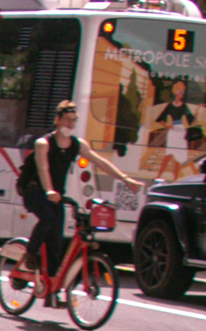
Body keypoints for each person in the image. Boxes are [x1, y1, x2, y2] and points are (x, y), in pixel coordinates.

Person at [27, 100, 140, 302]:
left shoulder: (77, 145)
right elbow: (43, 168)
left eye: (74, 121)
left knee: (56, 242)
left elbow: (100, 162)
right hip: (36, 190)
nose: (70, 125)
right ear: (58, 120)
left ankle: (50, 290)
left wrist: (124, 179)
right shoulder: (43, 143)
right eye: (67, 120)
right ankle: (30, 254)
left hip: (57, 195)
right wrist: (49, 190)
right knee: (48, 220)